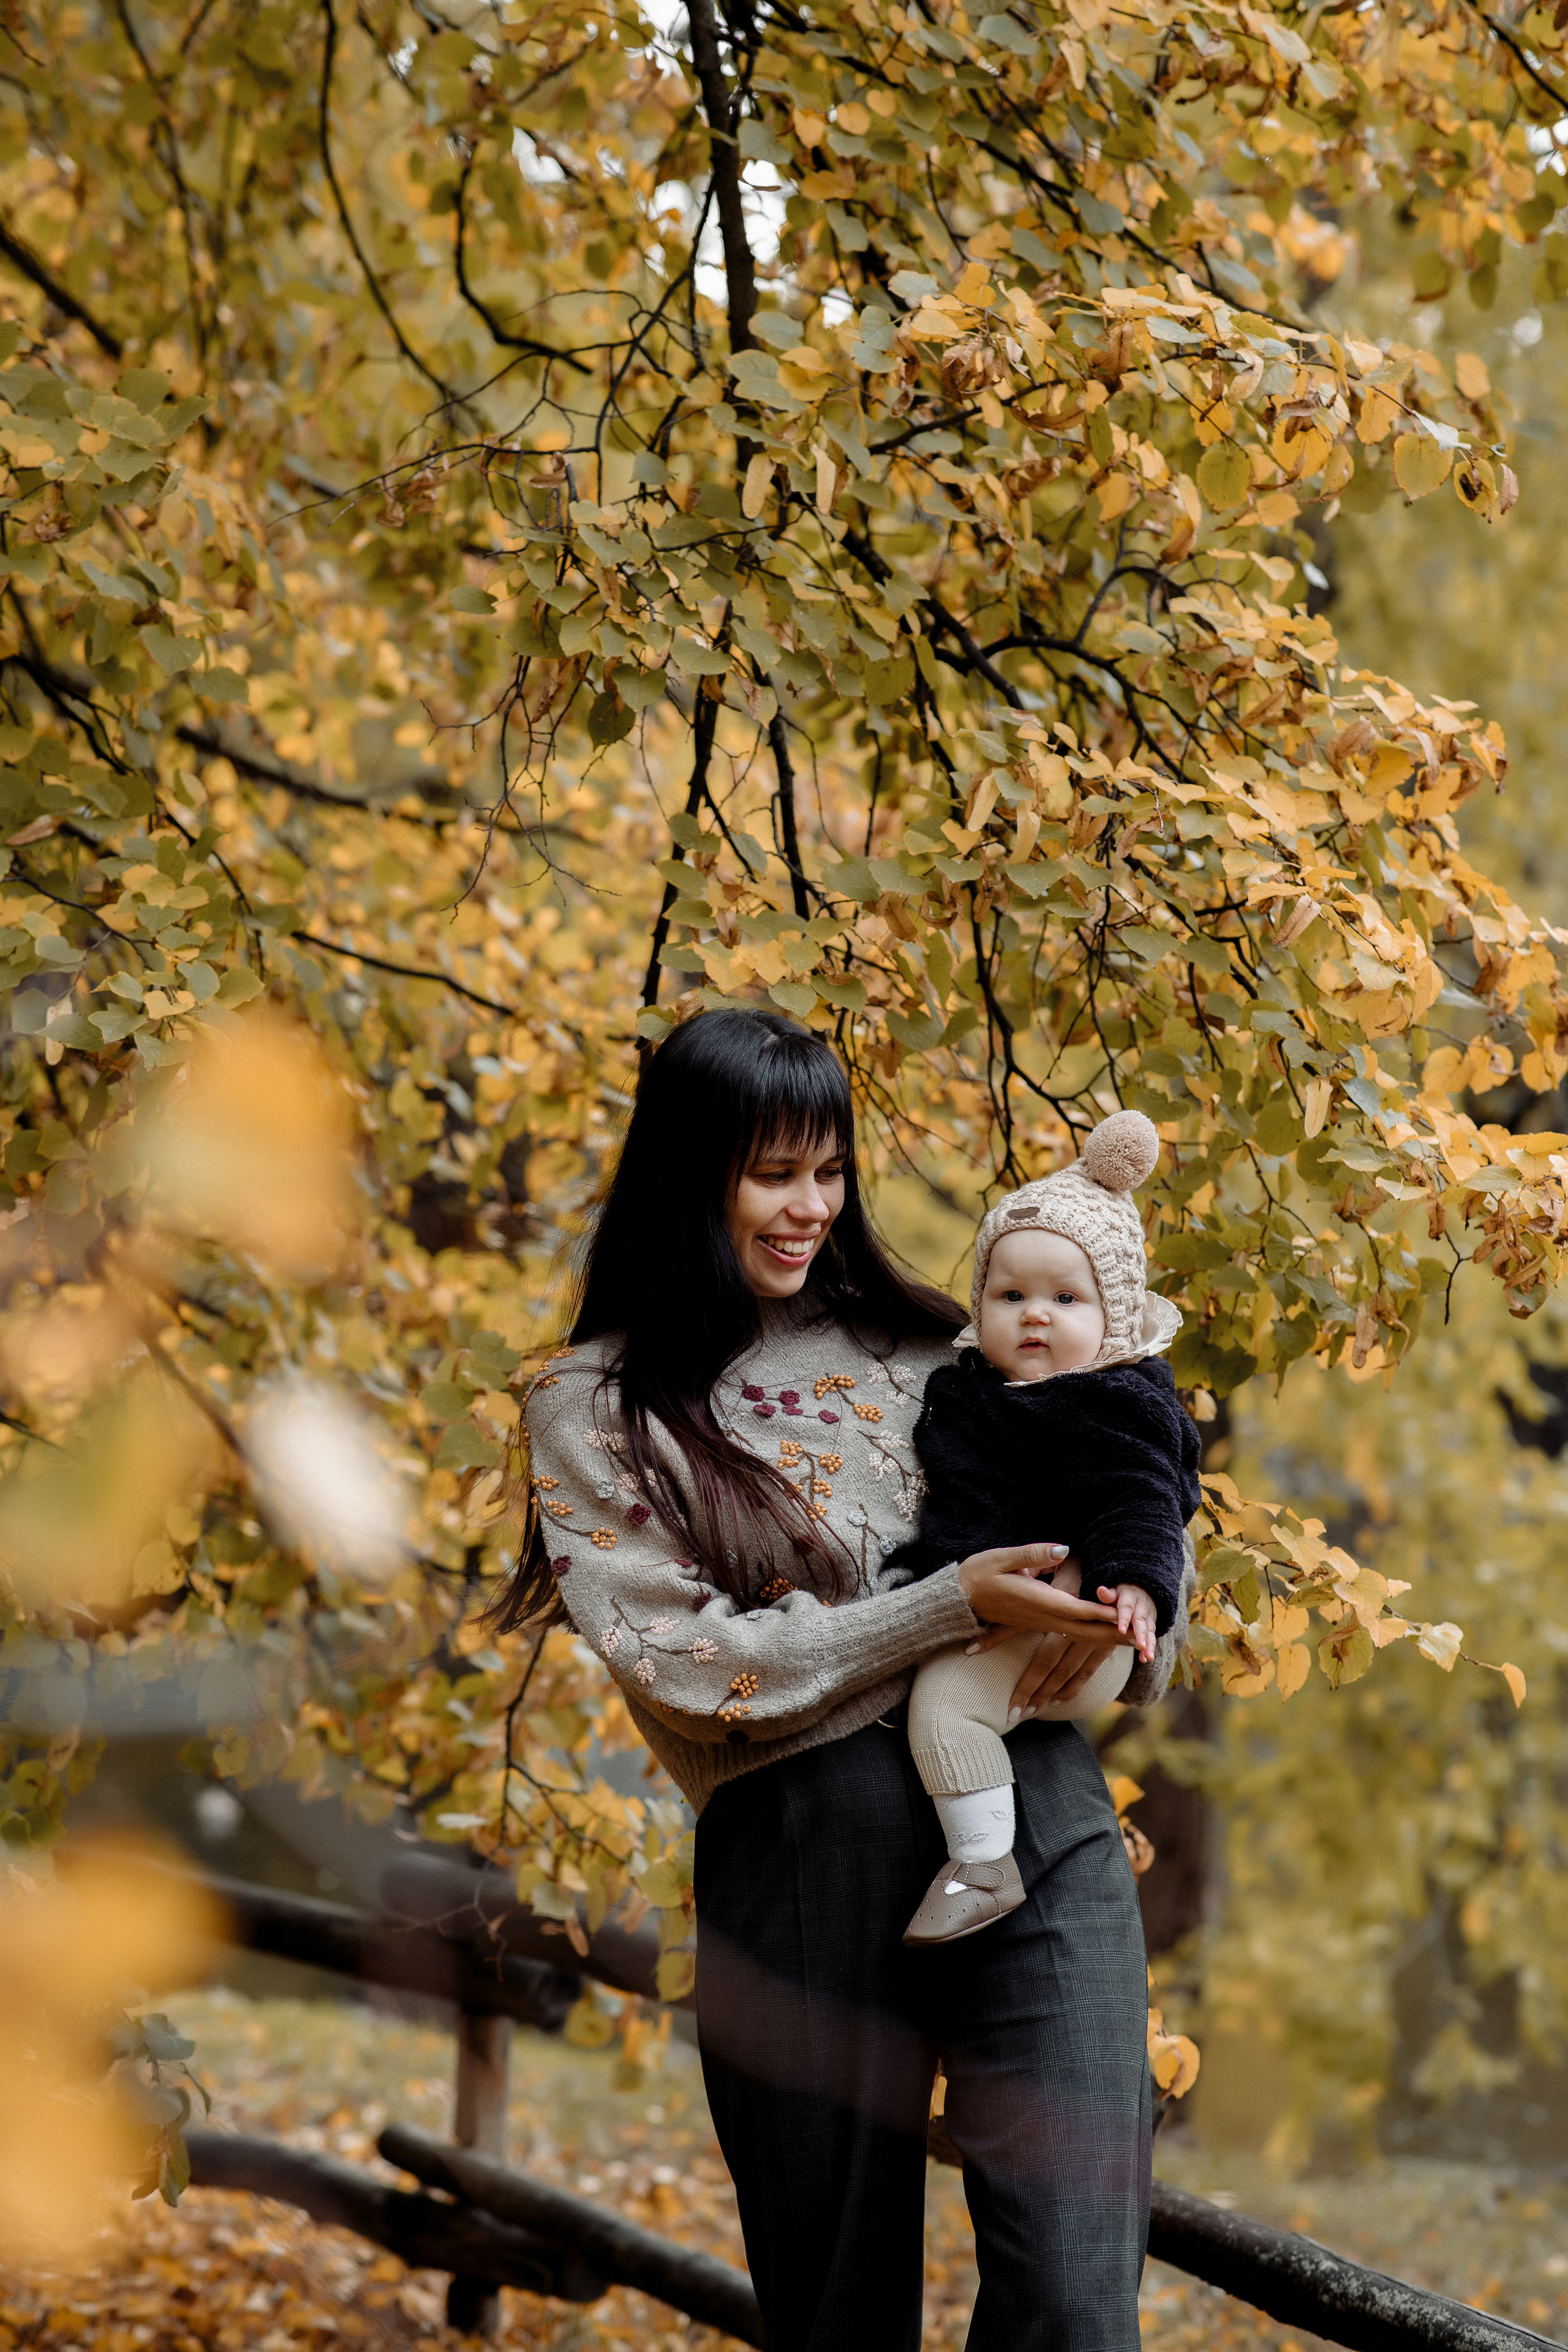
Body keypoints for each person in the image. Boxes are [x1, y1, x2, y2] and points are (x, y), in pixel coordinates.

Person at [497, 1008, 1156, 2352]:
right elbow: (684, 1669)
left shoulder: (927, 1346)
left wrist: (1142, 1611)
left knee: (1078, 2302)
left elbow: (1122, 1465)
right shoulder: (593, 1405)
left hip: (1034, 1805)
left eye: (828, 1169)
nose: (809, 1208)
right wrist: (944, 1607)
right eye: (772, 1172)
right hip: (806, 1842)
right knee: (840, 2311)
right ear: (693, 1172)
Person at [889, 1109, 1199, 1948]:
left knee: (948, 1708)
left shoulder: (1110, 1401)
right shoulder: (971, 1391)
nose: (1034, 1316)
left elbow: (1143, 1494)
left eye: (1066, 1299)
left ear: (1114, 1318)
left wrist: (1132, 1583)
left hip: (1083, 1623)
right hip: (1008, 1601)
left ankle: (984, 1863)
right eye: (1010, 1294)